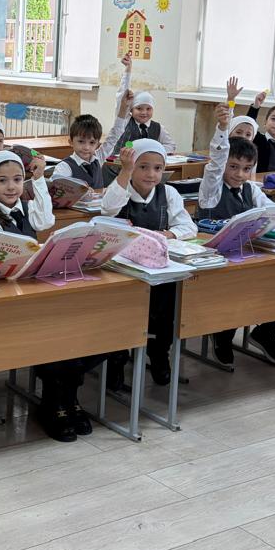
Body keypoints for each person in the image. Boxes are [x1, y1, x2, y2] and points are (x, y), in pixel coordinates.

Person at [197, 104, 275, 366]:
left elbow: (272, 212)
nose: (240, 174)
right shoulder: (211, 189)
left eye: (246, 168)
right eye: (234, 167)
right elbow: (215, 164)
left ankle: (266, 332)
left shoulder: (251, 189)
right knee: (238, 286)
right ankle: (223, 334)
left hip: (247, 253)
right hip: (217, 257)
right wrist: (222, 127)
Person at [101, 139, 197, 385]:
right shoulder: (121, 189)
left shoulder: (169, 193)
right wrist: (124, 171)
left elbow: (188, 226)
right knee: (122, 312)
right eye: (142, 167)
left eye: (157, 168)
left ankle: (159, 353)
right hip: (123, 271)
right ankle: (117, 359)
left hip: (157, 271)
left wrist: (169, 234)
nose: (151, 174)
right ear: (132, 167)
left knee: (166, 307)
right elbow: (107, 209)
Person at [52, 90, 131, 188]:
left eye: (92, 143)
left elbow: (115, 134)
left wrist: (123, 108)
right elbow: (55, 188)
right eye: (81, 141)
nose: (86, 147)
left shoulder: (98, 157)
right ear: (71, 142)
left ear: (97, 144)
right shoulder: (65, 167)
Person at [113, 57, 176, 153]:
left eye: (148, 108)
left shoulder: (158, 128)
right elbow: (122, 97)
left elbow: (171, 145)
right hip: (119, 162)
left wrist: (153, 150)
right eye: (139, 108)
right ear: (131, 109)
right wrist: (128, 69)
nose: (144, 112)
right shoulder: (125, 121)